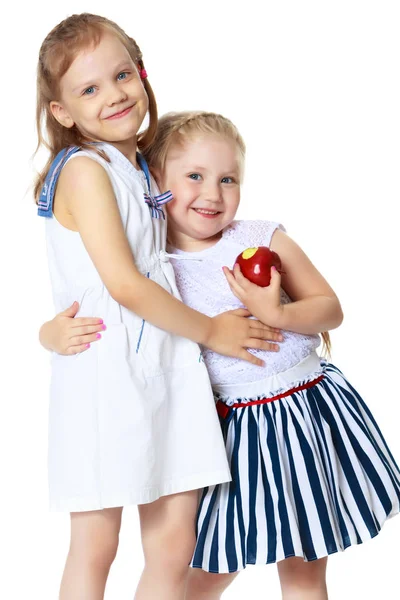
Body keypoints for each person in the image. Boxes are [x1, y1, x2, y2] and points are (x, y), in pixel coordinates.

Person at [40, 110, 400, 599]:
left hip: (301, 417)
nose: (212, 194)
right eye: (194, 177)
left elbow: (330, 309)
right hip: (228, 430)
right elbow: (103, 305)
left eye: (228, 179)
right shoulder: (156, 269)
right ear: (154, 182)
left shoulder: (259, 238)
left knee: (305, 564)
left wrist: (277, 313)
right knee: (211, 561)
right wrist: (48, 333)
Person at [35, 16, 278, 600]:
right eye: (89, 89)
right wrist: (214, 334)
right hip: (107, 369)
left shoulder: (143, 161)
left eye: (122, 75)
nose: (114, 94)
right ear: (62, 112)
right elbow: (122, 283)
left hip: (171, 365)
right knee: (97, 542)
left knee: (174, 546)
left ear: (142, 75)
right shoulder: (85, 171)